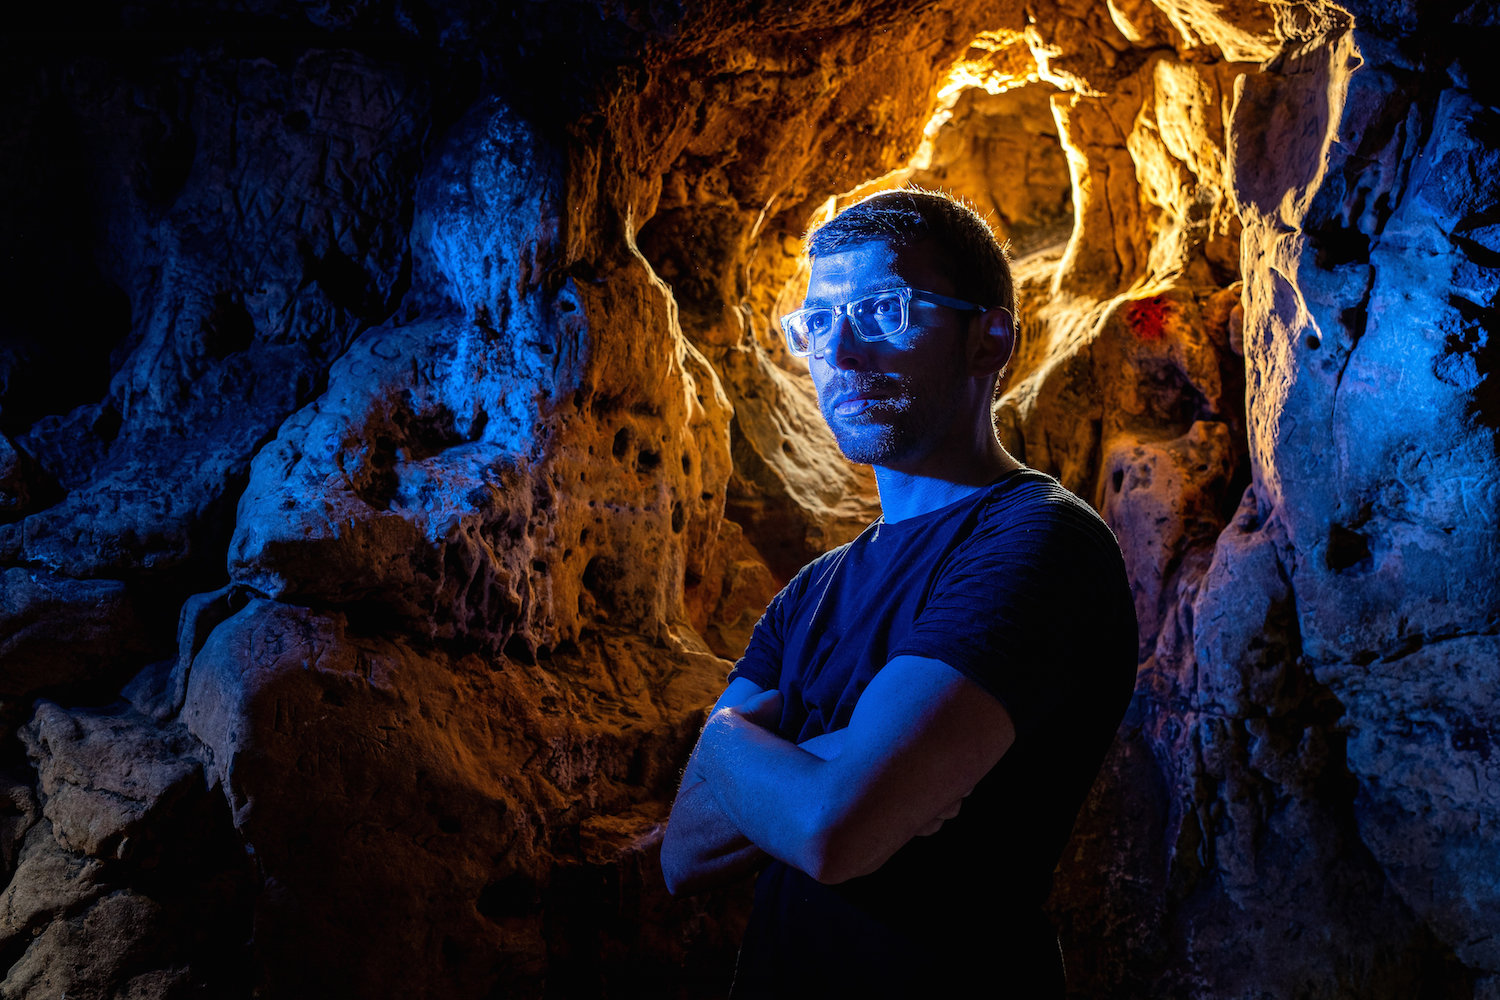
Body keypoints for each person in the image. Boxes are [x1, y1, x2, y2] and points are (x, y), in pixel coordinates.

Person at [660, 188, 1137, 997]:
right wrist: (826, 762)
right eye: (816, 324)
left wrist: (724, 741)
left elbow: (831, 829)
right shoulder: (813, 591)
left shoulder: (1038, 544)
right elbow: (684, 854)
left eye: (885, 310)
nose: (840, 353)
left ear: (989, 339)